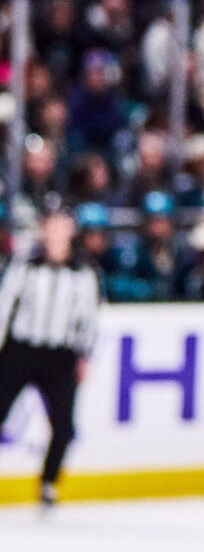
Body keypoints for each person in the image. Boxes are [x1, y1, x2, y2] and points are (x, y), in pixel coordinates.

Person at [0, 210, 105, 509]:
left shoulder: (83, 271)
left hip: (60, 356)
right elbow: (4, 305)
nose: (56, 234)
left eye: (62, 228)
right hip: (21, 350)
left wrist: (85, 354)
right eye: (52, 227)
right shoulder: (25, 264)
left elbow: (89, 317)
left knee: (64, 426)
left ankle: (49, 481)